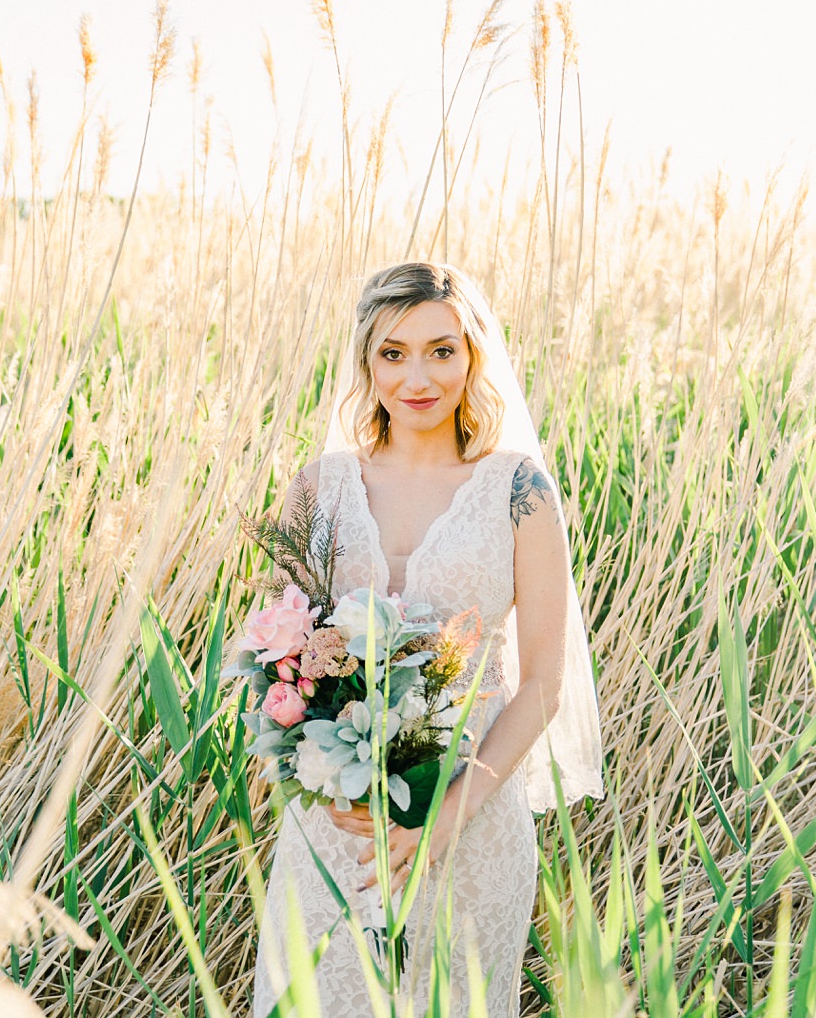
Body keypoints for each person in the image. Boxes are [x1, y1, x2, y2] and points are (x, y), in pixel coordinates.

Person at [249, 262, 603, 1016]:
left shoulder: (520, 491)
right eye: (393, 352)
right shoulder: (318, 487)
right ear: (366, 360)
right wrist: (321, 771)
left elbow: (543, 679)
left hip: (473, 816)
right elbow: (284, 662)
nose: (418, 375)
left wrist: (449, 811)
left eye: (442, 350)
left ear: (473, 354)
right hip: (336, 822)